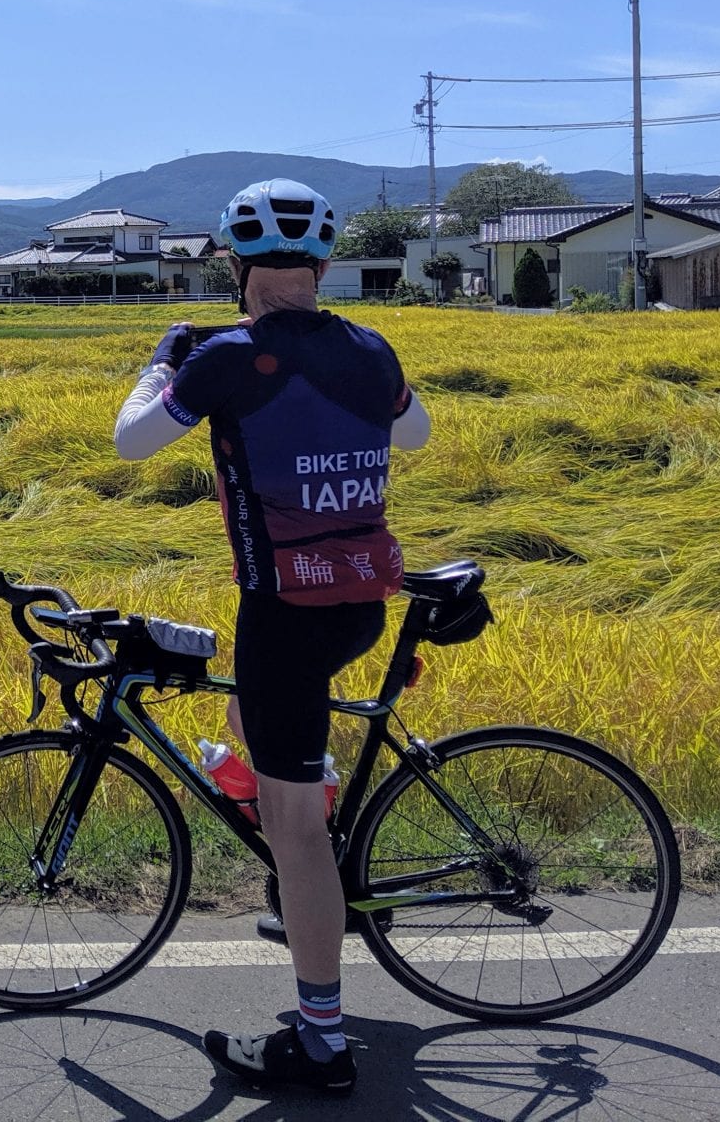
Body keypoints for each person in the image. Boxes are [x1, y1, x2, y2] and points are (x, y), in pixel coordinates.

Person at [112, 178, 431, 1097]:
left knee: (295, 829)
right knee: (260, 732)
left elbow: (132, 443)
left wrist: (163, 361)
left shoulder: (222, 355)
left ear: (234, 264)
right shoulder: (372, 350)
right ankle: (307, 883)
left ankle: (321, 1044)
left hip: (284, 612)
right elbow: (418, 435)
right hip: (359, 600)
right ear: (324, 265)